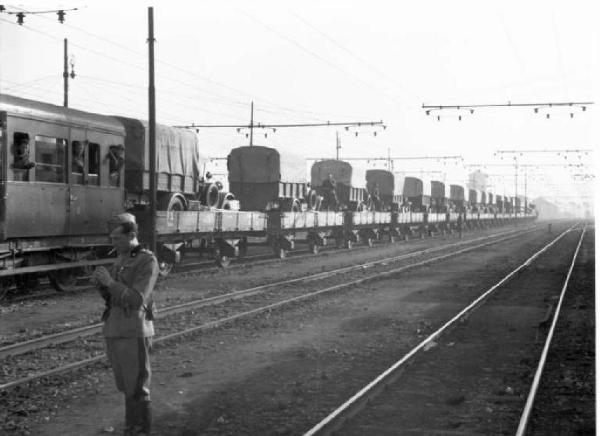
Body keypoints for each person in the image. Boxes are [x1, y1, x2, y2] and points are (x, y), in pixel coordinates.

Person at [92, 213, 158, 436]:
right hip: (115, 328)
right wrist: (102, 286)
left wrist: (110, 282)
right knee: (126, 385)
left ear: (132, 235)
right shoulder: (120, 259)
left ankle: (140, 429)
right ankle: (132, 428)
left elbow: (138, 298)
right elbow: (112, 298)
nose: (114, 243)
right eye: (112, 239)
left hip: (134, 330)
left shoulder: (147, 260)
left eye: (117, 239)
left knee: (137, 385)